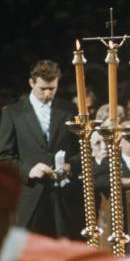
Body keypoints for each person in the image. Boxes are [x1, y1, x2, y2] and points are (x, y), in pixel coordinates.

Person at [0, 60, 79, 238]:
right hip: (28, 197)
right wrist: (29, 170)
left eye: (52, 88)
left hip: (62, 197)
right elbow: (3, 157)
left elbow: (81, 151)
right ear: (31, 83)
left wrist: (70, 166)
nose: (48, 94)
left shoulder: (69, 109)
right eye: (42, 88)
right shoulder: (12, 113)